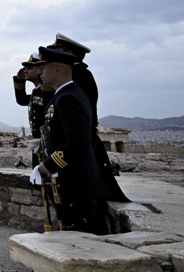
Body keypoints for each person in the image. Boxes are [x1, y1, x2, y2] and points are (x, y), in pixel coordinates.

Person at [31, 45, 107, 234]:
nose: (40, 72)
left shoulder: (68, 98)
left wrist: (48, 165)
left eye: (44, 67)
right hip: (70, 178)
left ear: (58, 69)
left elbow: (77, 143)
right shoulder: (64, 95)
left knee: (83, 235)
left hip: (76, 181)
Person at [48, 32, 130, 205]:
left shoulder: (78, 75)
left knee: (86, 189)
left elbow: (79, 112)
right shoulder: (76, 75)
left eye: (59, 50)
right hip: (73, 138)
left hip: (78, 138)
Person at [12, 52, 53, 166]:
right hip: (38, 144)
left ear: (41, 69)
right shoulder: (36, 91)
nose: (25, 70)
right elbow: (22, 100)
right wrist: (20, 80)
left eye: (30, 67)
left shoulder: (48, 91)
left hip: (47, 144)